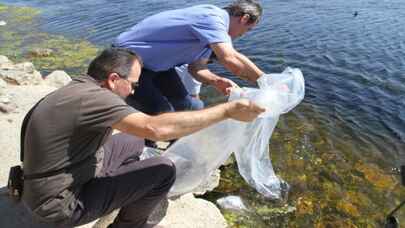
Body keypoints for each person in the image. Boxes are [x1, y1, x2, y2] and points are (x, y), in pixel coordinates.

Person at [21, 48, 265, 228]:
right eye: (133, 84)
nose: (135, 91)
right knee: (163, 170)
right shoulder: (97, 99)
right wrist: (226, 111)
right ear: (114, 79)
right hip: (60, 206)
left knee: (134, 140)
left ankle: (123, 187)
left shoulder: (77, 88)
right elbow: (155, 128)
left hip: (51, 182)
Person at [114, 0, 265, 116]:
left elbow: (196, 68)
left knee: (189, 106)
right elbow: (230, 58)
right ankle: (148, 144)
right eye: (248, 30)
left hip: (157, 66)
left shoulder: (214, 36)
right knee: (161, 111)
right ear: (244, 19)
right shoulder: (213, 18)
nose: (243, 34)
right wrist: (264, 81)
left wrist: (216, 81)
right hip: (126, 59)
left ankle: (178, 144)